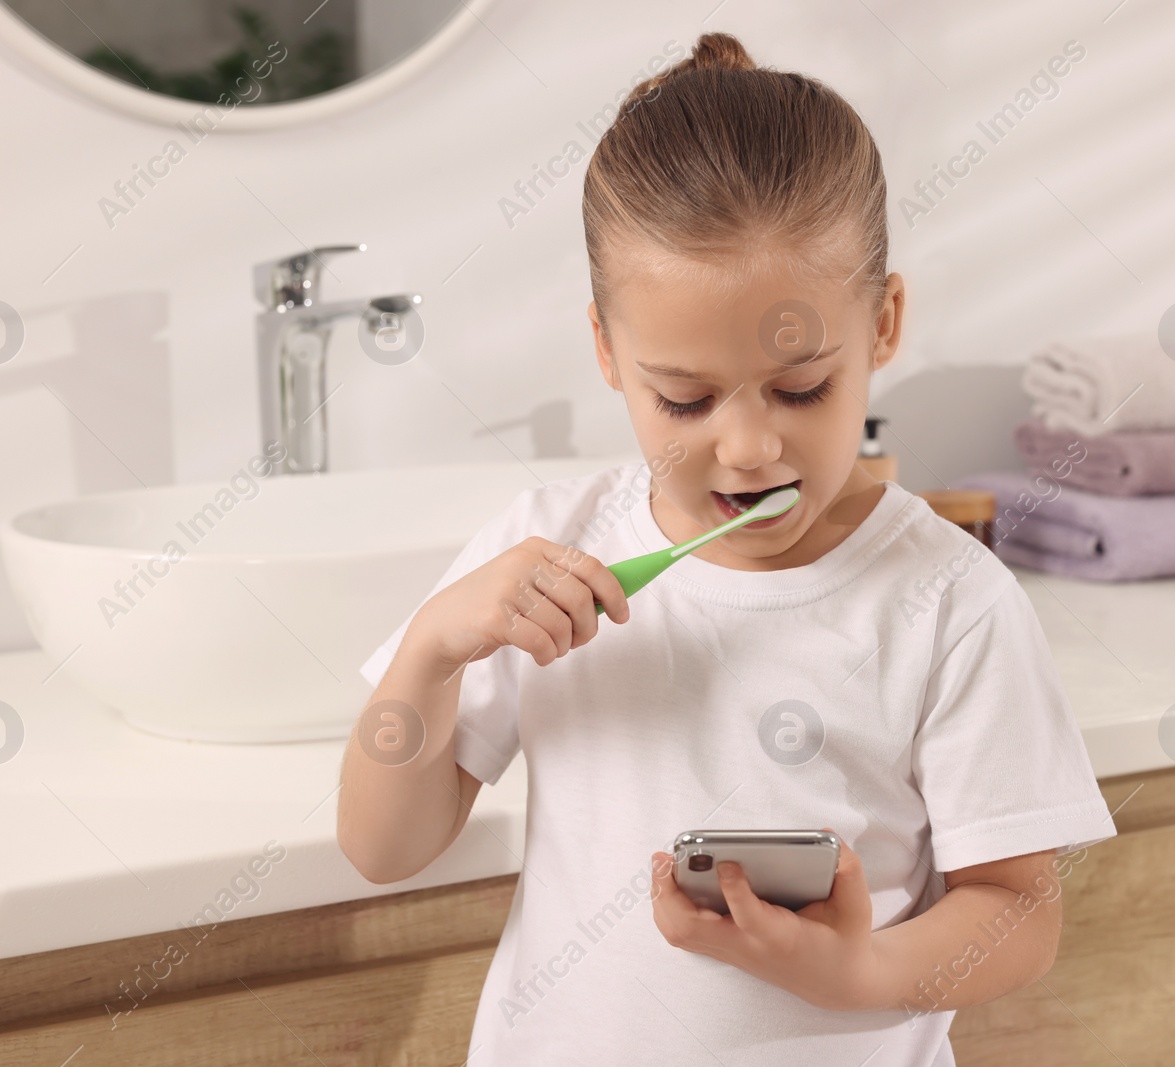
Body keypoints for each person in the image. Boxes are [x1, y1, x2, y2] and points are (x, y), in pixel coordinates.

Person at [338, 30, 1115, 1066]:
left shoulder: (945, 598)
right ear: (608, 351)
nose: (748, 447)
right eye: (684, 397)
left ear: (882, 324)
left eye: (801, 388)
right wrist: (432, 647)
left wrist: (858, 974)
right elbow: (382, 846)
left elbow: (1019, 909)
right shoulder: (546, 548)